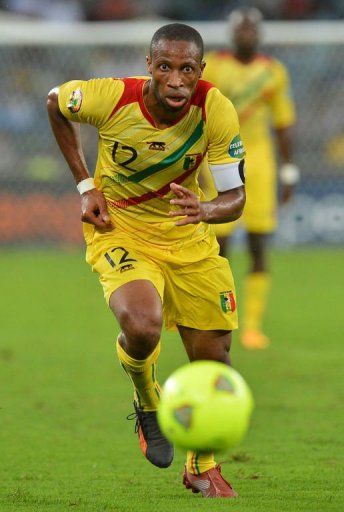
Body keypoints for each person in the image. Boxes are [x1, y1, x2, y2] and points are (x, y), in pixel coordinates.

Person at [47, 23, 246, 498]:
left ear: (201, 71)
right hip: (122, 230)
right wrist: (84, 185)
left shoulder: (215, 109)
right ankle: (146, 398)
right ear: (148, 66)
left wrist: (206, 209)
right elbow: (55, 100)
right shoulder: (112, 97)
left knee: (215, 361)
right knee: (142, 325)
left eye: (187, 70)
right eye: (165, 67)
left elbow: (236, 197)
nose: (176, 80)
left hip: (187, 235)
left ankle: (201, 466)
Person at [201, 8, 300, 350]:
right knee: (218, 248)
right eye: (240, 28)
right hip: (219, 161)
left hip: (260, 165)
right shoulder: (212, 65)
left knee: (258, 245)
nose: (246, 33)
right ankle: (216, 318)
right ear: (231, 33)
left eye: (251, 28)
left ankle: (253, 326)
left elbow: (283, 124)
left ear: (260, 33)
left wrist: (289, 171)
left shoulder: (273, 72)